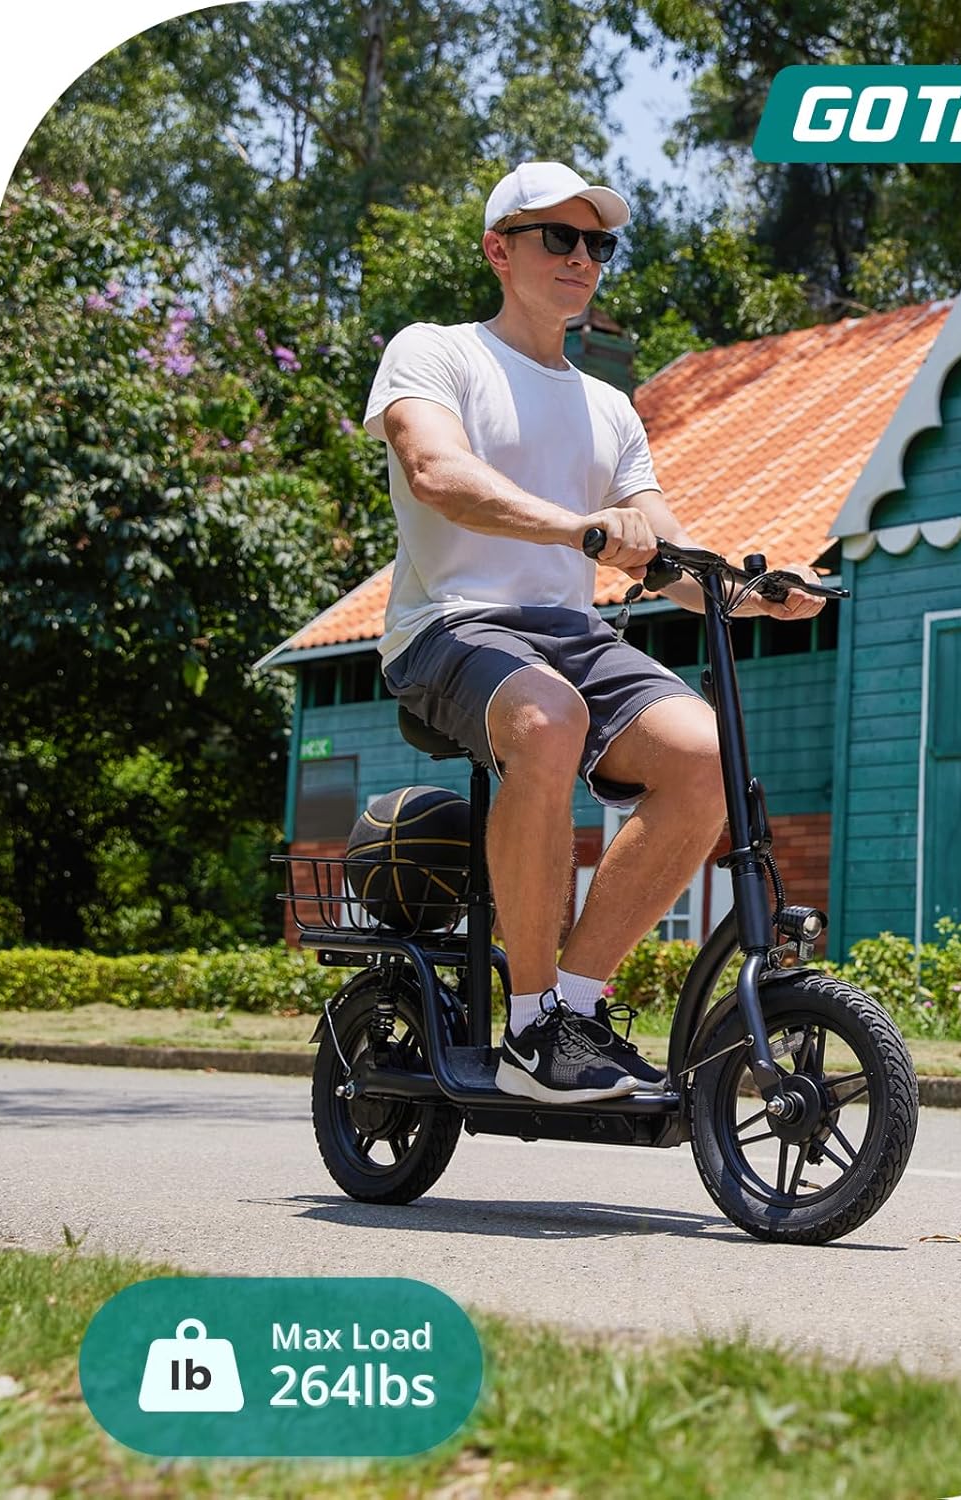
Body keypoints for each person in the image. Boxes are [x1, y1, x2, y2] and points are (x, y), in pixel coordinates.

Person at [363, 160, 823, 1106]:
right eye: (559, 237)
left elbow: (663, 553)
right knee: (547, 720)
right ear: (499, 251)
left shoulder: (610, 407)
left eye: (599, 243)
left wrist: (754, 591)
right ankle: (529, 1027)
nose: (583, 257)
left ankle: (574, 1007)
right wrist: (578, 528)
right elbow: (437, 473)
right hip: (448, 623)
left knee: (708, 758)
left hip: (569, 634)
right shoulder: (436, 353)